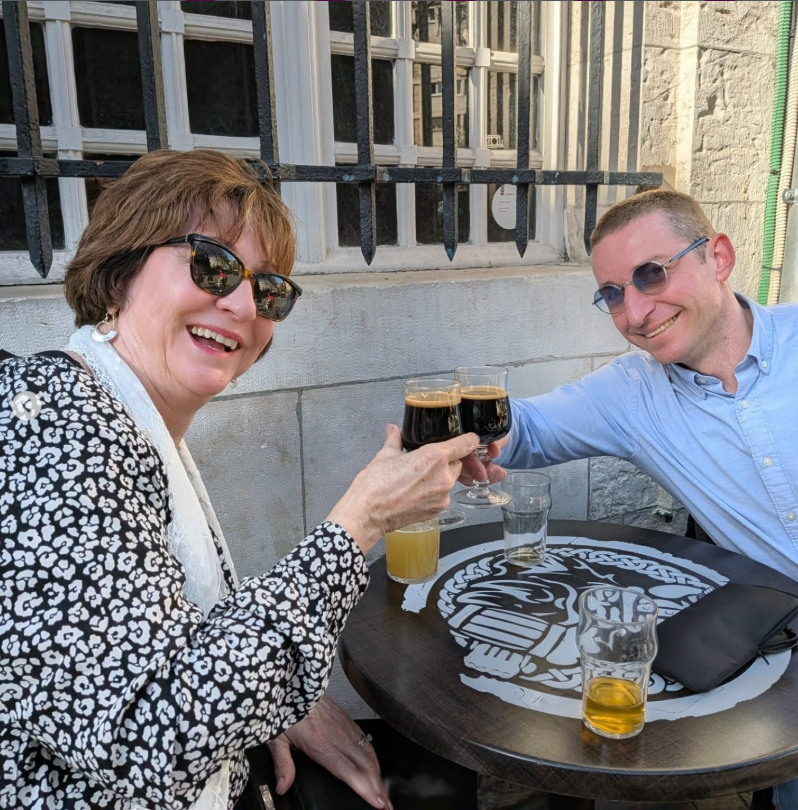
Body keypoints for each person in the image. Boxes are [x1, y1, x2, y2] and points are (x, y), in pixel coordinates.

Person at [0, 149, 480, 810]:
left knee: (436, 776)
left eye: (267, 289)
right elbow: (152, 740)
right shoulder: (56, 426)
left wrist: (276, 711)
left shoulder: (115, 411)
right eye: (212, 264)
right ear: (118, 275)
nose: (241, 305)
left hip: (225, 768)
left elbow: (147, 638)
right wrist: (358, 522)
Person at [476, 188, 798, 809]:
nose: (636, 311)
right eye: (615, 293)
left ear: (720, 258)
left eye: (652, 273)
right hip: (784, 653)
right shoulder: (632, 393)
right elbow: (528, 430)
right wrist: (456, 425)